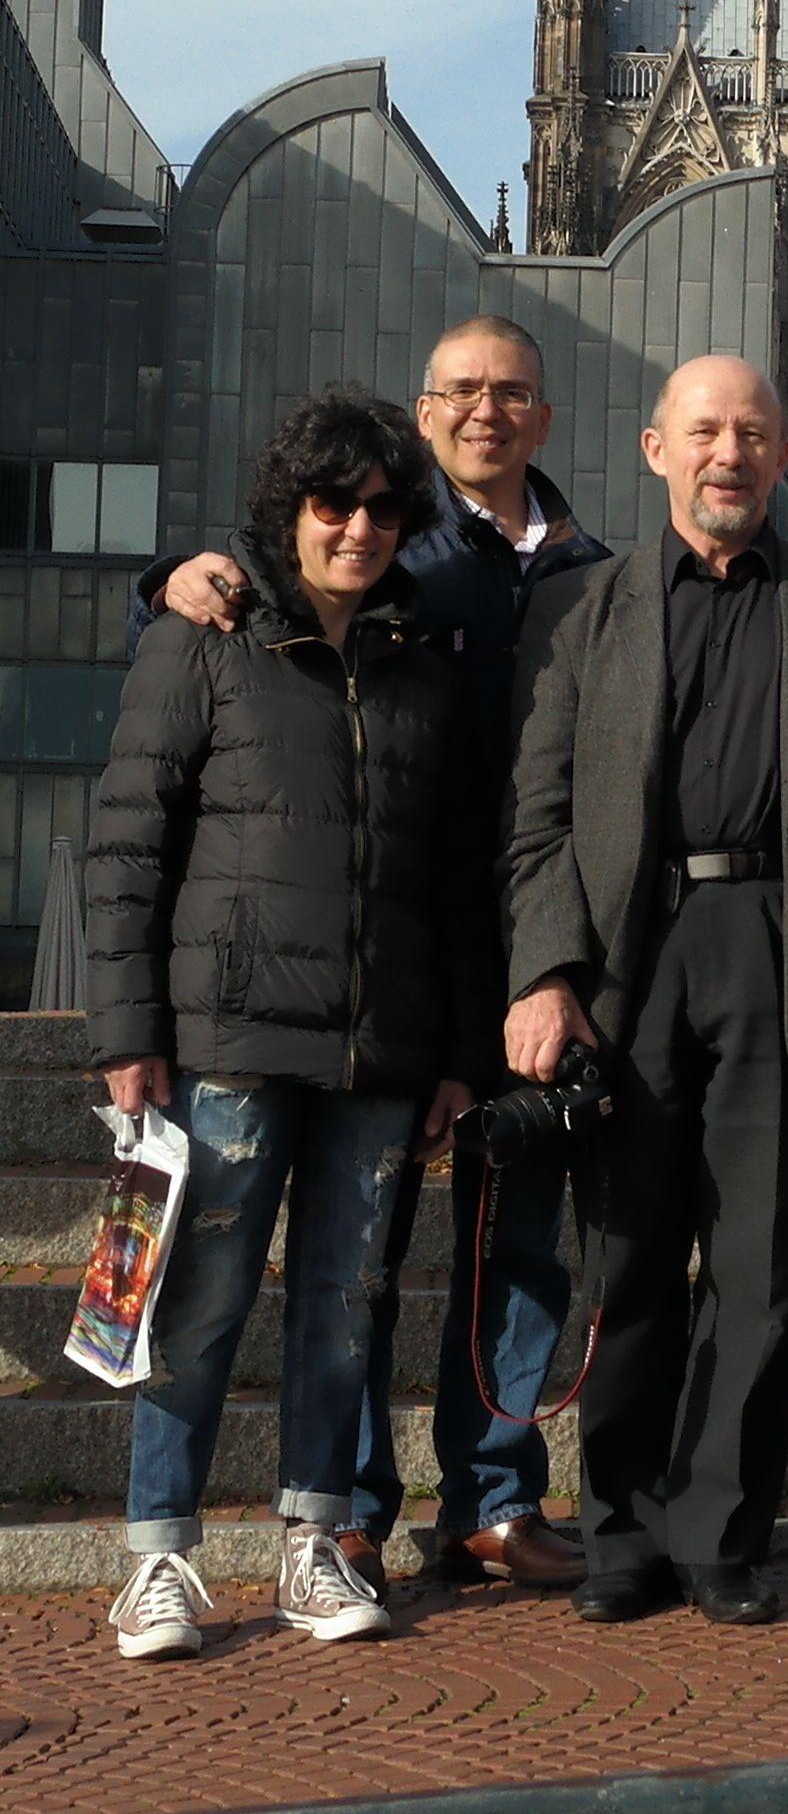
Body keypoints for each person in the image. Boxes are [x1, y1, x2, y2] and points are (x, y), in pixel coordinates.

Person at [134, 315, 608, 1596]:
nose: (487, 411)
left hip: (535, 943)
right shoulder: (388, 549)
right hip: (381, 950)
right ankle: (343, 1509)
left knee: (518, 1248)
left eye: (512, 392)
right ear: (427, 406)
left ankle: (493, 1496)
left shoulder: (592, 567)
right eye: (461, 391)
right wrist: (171, 573)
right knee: (363, 1251)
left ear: (545, 418)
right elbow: (242, 623)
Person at [503, 353, 788, 1627]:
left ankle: (721, 1534)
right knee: (631, 1257)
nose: (730, 454)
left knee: (757, 1267)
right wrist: (546, 972)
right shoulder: (585, 609)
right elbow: (535, 815)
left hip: (784, 943)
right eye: (705, 430)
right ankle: (620, 1530)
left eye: (753, 432)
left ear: (784, 451)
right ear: (657, 449)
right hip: (633, 957)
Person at [85, 390, 497, 1660]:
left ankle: (314, 1542)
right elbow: (126, 840)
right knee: (198, 1301)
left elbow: (455, 878)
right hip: (230, 1040)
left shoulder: (425, 666)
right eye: (336, 502)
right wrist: (126, 1028)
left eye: (384, 506)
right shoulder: (204, 634)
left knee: (346, 1303)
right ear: (290, 510)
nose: (360, 526)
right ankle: (157, 1553)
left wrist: (459, 1056)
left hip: (379, 1048)